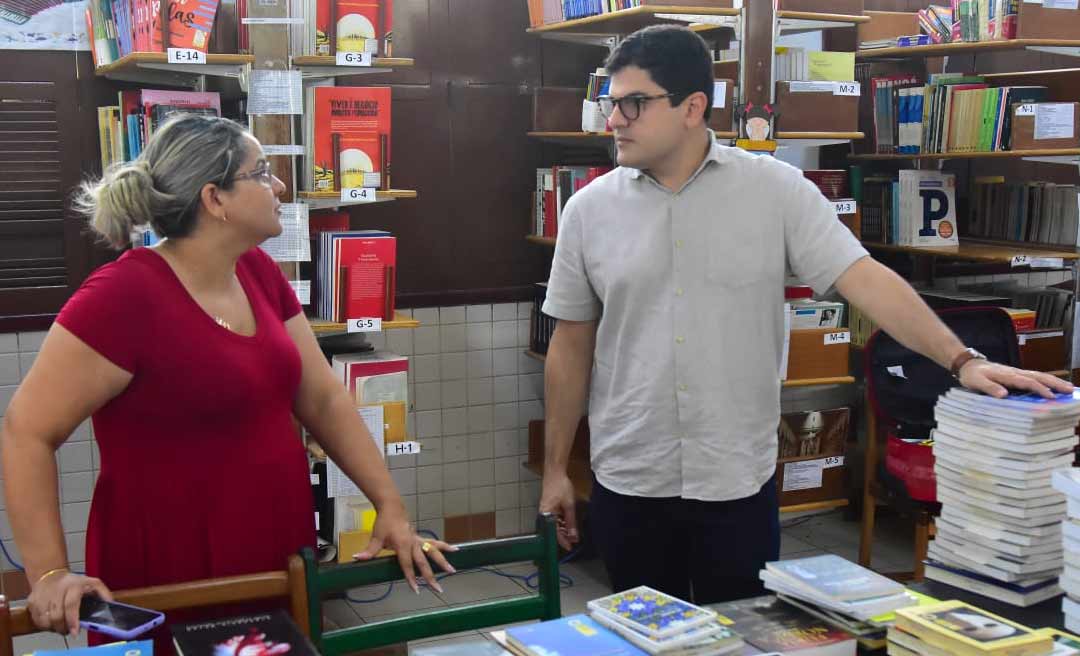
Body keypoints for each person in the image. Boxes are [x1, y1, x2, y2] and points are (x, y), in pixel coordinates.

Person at [537, 25, 1073, 605]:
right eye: (609, 103)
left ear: (693, 107)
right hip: (630, 477)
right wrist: (556, 469)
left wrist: (962, 360)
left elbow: (864, 278)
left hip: (736, 480)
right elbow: (571, 344)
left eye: (632, 103)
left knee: (741, 636)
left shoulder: (776, 192)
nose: (614, 119)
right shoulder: (590, 210)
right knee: (642, 636)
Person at [0, 114, 455, 647]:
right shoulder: (123, 296)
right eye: (262, 173)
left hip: (274, 550)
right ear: (214, 199)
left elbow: (323, 398)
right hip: (168, 568)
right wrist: (49, 574)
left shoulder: (258, 273)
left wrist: (390, 505)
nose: (280, 185)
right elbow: (26, 430)